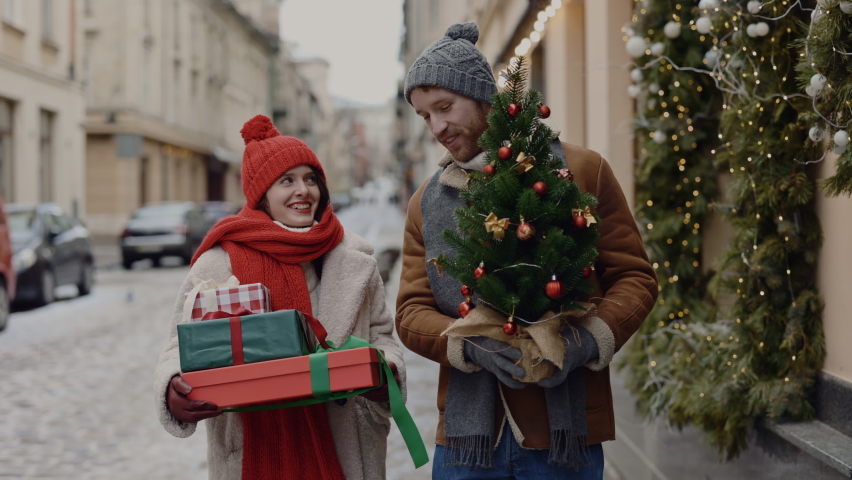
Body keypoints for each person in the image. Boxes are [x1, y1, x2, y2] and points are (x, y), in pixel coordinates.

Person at [396, 22, 658, 479]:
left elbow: (636, 279)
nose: (437, 127)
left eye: (445, 107)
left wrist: (585, 340)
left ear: (482, 98)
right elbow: (410, 311)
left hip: (563, 436)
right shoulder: (426, 202)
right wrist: (469, 344)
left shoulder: (581, 170)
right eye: (425, 116)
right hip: (467, 444)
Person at [153, 115, 405, 480]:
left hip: (346, 445)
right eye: (287, 180)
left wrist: (386, 373)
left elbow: (383, 337)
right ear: (262, 195)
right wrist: (173, 390)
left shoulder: (354, 259)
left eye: (310, 179)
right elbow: (178, 349)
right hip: (251, 453)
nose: (303, 190)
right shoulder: (217, 264)